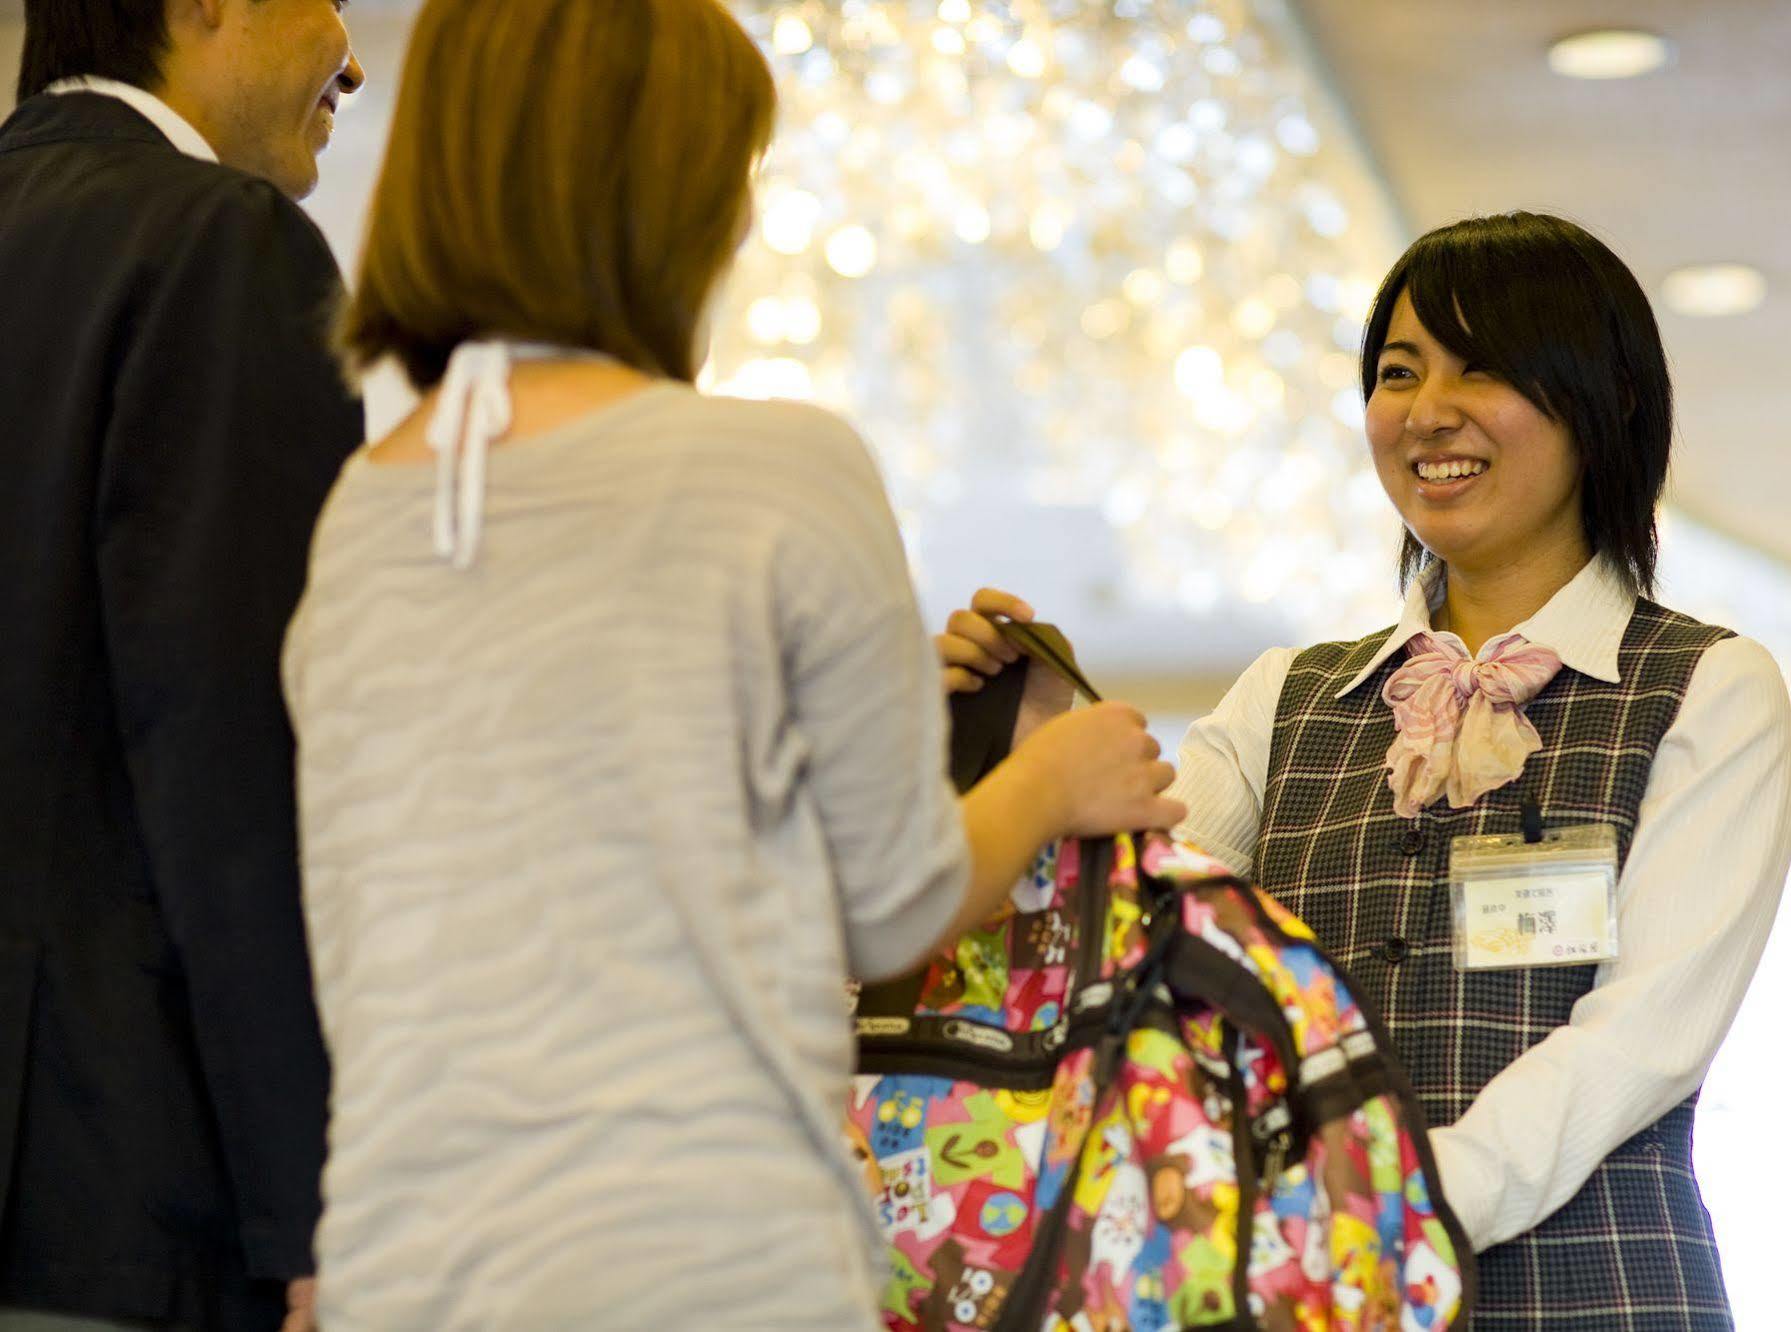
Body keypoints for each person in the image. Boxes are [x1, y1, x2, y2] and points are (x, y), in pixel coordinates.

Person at [280, 1, 1183, 1327]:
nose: (743, 224)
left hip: (408, 1262)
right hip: (701, 1251)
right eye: (731, 175)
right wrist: (1048, 779)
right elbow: (891, 900)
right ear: (664, 192)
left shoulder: (368, 508)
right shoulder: (780, 470)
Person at [939, 212, 1791, 1329]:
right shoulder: (1285, 696)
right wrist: (1037, 750)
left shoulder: (1710, 688)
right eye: (1398, 373)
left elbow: (1641, 1042)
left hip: (1589, 1291)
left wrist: (1383, 1212)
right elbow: (1132, 943)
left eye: (1480, 367)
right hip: (1312, 1291)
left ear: (1609, 400)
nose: (1426, 411)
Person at [0, 2, 365, 1328]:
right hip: (120, 1194)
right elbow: (242, 760)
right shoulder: (219, 243)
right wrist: (318, 1201)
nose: (355, 57)